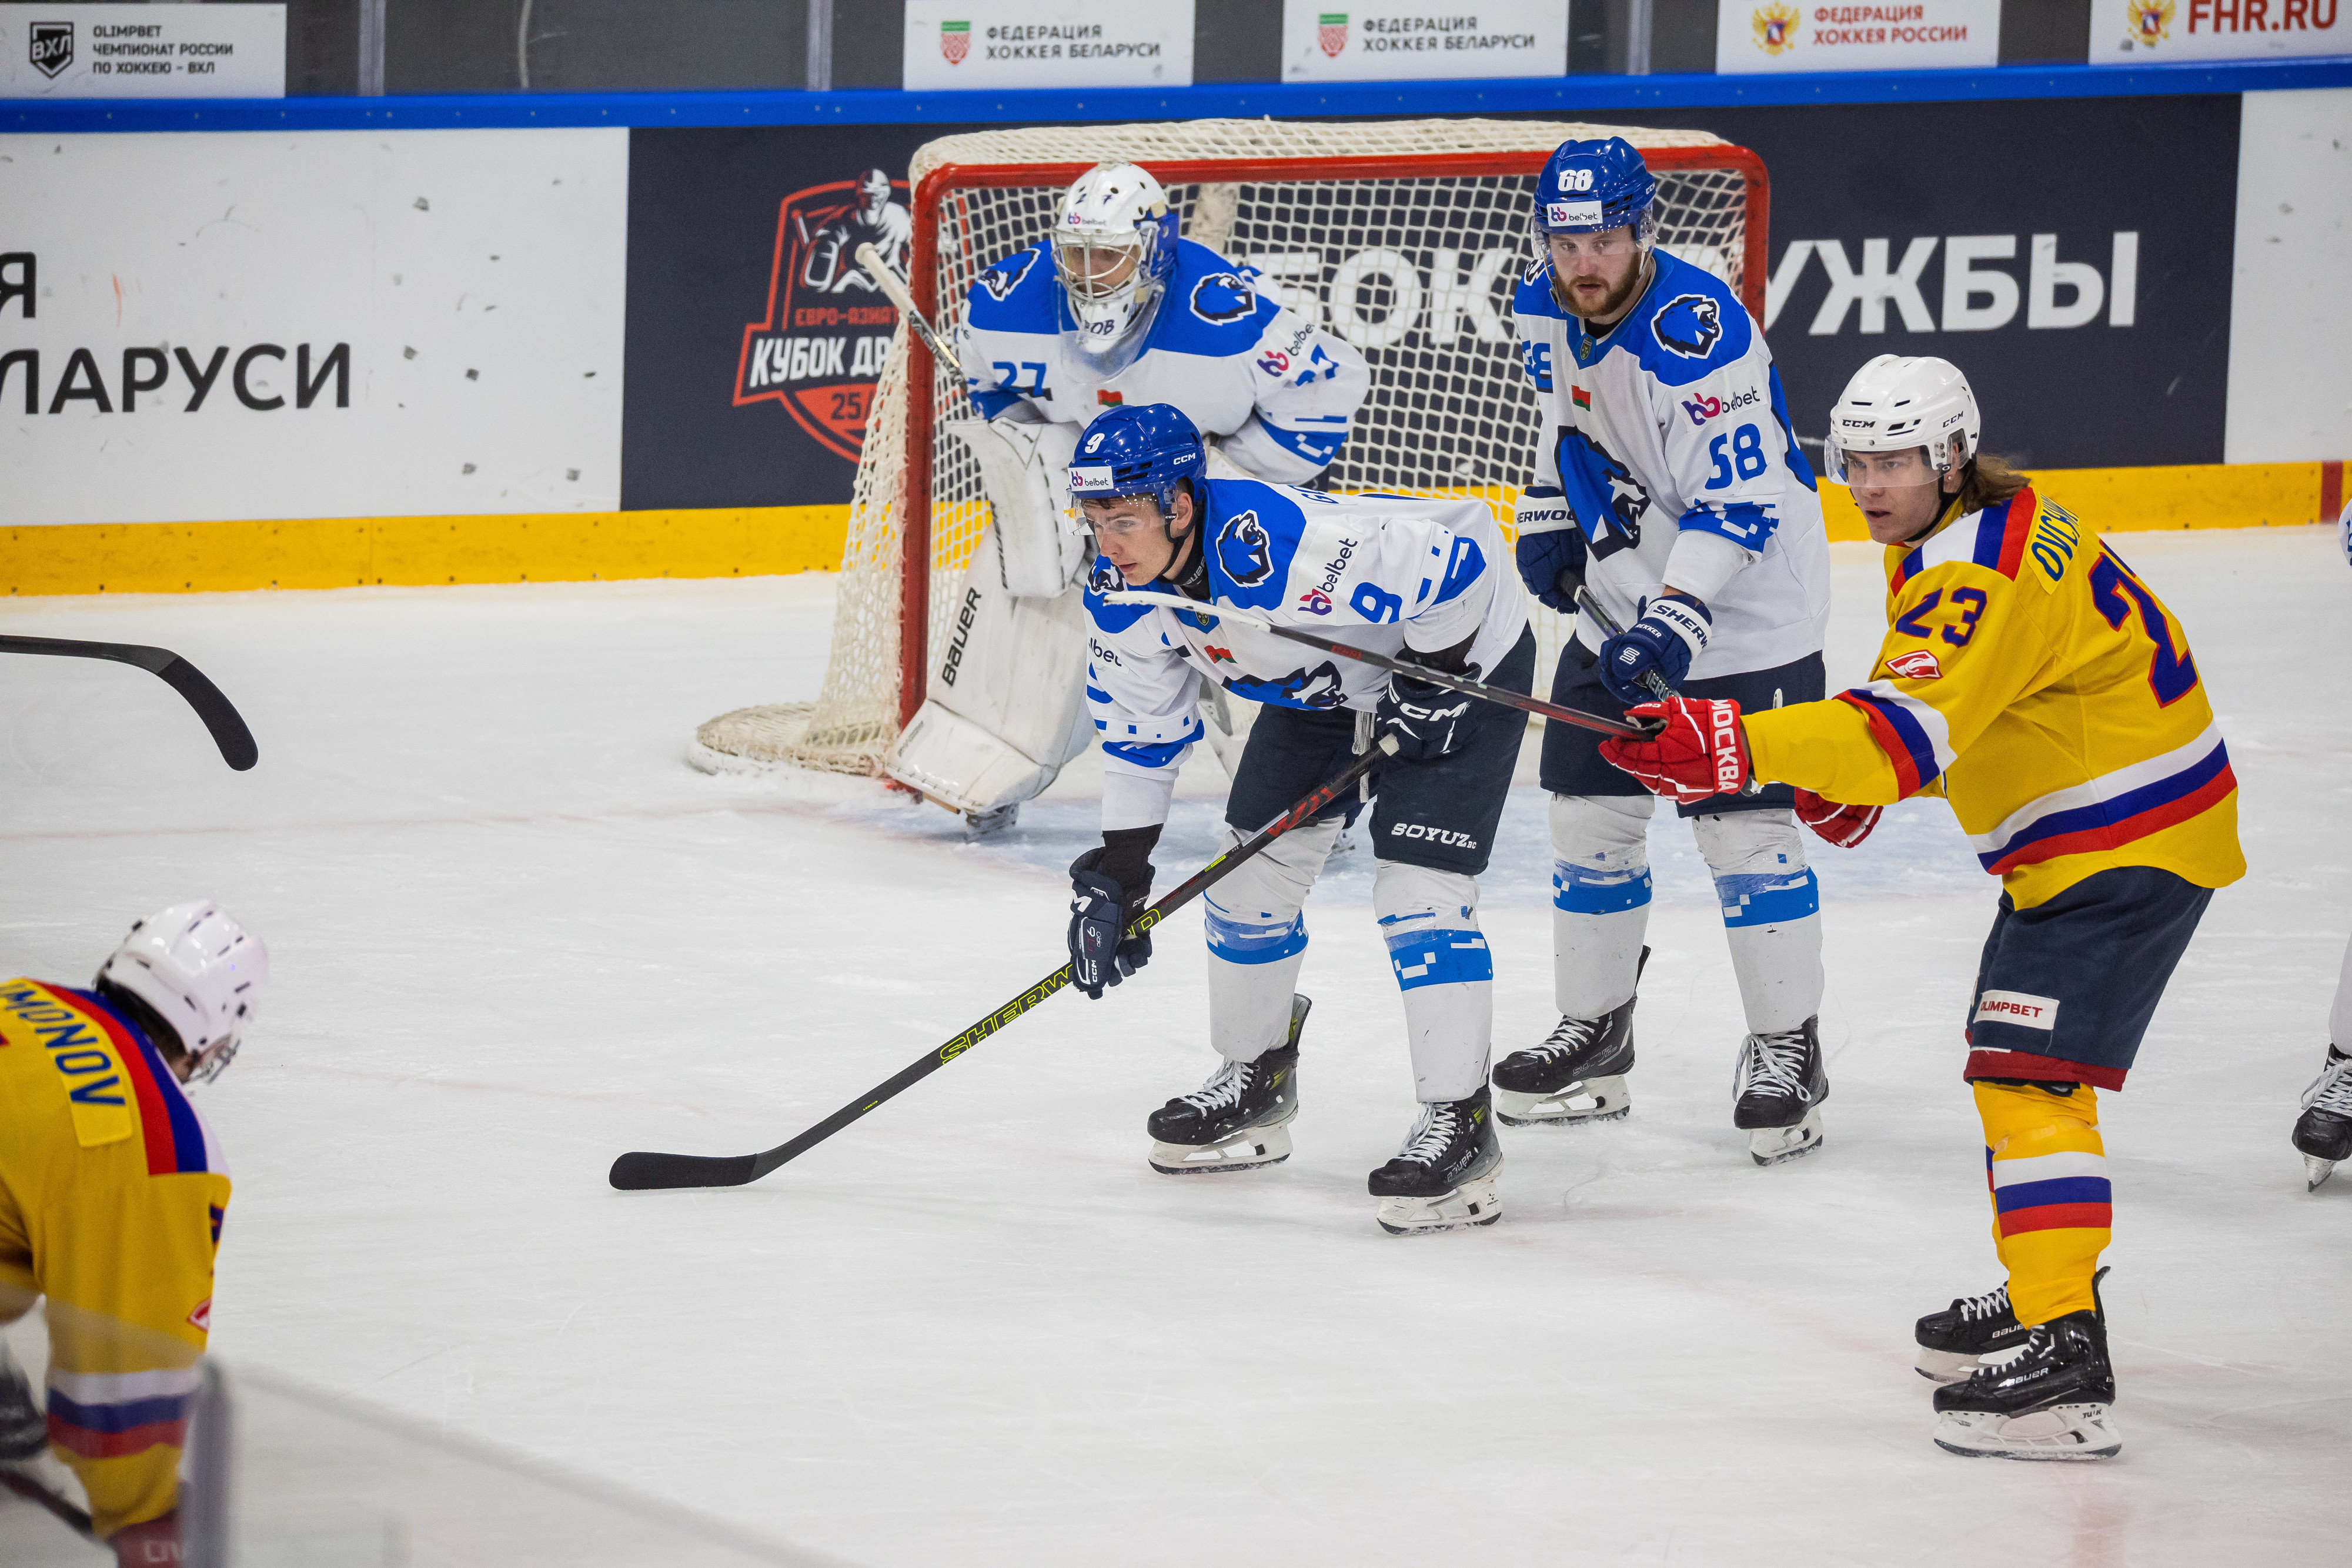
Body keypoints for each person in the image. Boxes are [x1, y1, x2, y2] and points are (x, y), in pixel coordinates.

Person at [1599, 353, 2244, 1460]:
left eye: (1895, 461)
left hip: (2118, 845)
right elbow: (1999, 704)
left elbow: (1898, 729)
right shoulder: (1994, 526)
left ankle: (2066, 1356)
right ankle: (2044, 1286)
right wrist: (1874, 778)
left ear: (1950, 457)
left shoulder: (1968, 571)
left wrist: (1739, 743)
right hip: (2115, 825)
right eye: (1855, 461)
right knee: (2014, 1069)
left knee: (2027, 1077)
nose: (1869, 484)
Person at [1062, 402, 1531, 1236]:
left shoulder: (1272, 545)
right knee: (1245, 886)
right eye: (1095, 522)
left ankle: (1461, 1123)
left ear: (1180, 504)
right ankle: (1256, 1081)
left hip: (1460, 657)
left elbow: (1455, 564)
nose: (1109, 543)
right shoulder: (1122, 587)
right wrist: (1122, 870)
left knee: (1418, 897)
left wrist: (1431, 676)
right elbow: (1139, 725)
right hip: (1326, 687)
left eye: (1124, 520)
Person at [1501, 135, 1836, 1165]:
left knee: (1746, 832)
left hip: (1748, 611)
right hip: (1626, 596)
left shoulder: (1699, 336)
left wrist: (1677, 617)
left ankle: (1789, 1048)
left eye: (1602, 241)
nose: (1583, 264)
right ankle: (1597, 1033)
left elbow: (1740, 504)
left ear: (1642, 230)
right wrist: (1549, 506)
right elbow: (1567, 422)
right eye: (1565, 243)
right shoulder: (1542, 302)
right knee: (1588, 816)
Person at [886, 161, 1368, 835]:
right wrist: (1047, 455)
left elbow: (1330, 388)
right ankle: (987, 756)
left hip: (1204, 490)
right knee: (1029, 570)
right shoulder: (1006, 302)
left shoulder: (1226, 315)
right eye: (1075, 255)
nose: (1088, 275)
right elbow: (992, 387)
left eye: (1108, 256)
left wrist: (1227, 475)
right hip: (1089, 484)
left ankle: (1307, 804)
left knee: (1250, 635)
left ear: (1153, 250)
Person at [0, 902, 267, 1557]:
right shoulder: (162, 1149)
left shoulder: (22, 999)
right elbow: (125, 1369)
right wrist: (144, 1515)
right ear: (212, 1035)